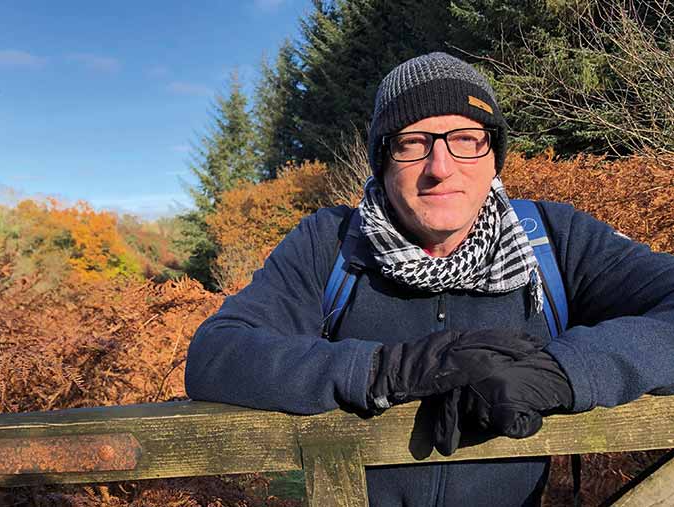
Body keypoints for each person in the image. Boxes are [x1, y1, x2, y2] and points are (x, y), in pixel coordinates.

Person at [184, 52, 674, 506]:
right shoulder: (330, 243)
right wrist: (384, 370)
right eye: (413, 143)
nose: (440, 168)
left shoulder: (554, 239)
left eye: (465, 139)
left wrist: (563, 372)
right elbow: (219, 355)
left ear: (493, 155)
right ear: (382, 159)